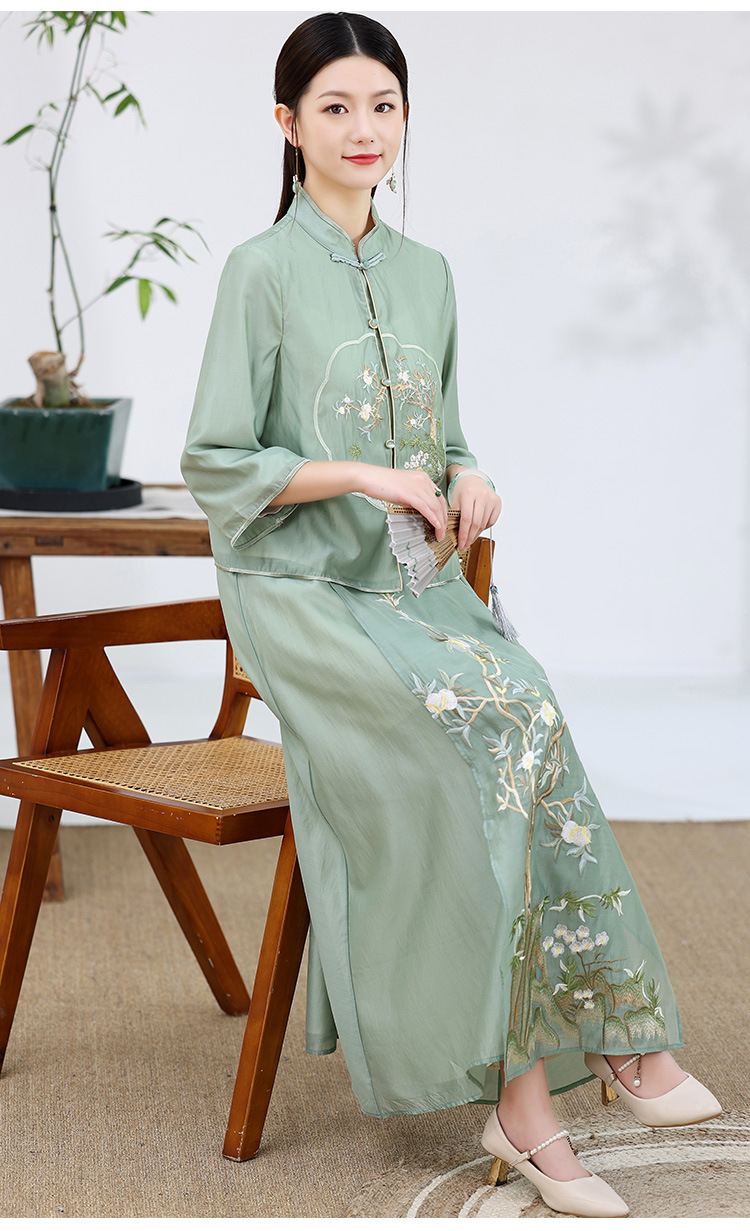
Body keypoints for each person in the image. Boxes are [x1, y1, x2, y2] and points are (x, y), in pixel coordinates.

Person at [181, 12, 721, 1217]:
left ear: (406, 118)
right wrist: (363, 477)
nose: (362, 128)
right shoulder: (260, 272)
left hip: (413, 588)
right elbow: (217, 459)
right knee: (466, 738)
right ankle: (531, 1100)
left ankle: (620, 1038)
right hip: (300, 595)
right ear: (287, 125)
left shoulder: (428, 274)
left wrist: (469, 479)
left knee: (525, 705)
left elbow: (449, 438)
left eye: (382, 105)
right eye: (335, 107)